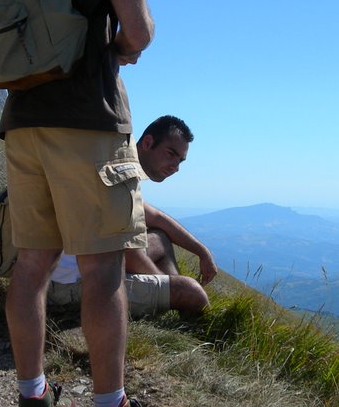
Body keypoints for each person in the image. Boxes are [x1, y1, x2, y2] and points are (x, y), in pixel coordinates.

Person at [0, 0, 173, 407]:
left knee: (33, 264)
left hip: (22, 118)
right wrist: (118, 54)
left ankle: (33, 401)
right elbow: (140, 28)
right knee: (103, 269)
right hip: (86, 120)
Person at [47, 115, 215, 317]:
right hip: (72, 284)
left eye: (180, 161)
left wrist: (202, 252)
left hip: (84, 265)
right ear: (148, 142)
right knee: (193, 293)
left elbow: (157, 218)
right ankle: (174, 311)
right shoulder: (119, 177)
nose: (175, 167)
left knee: (160, 238)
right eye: (171, 154)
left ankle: (165, 306)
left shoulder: (116, 164)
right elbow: (130, 255)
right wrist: (170, 288)